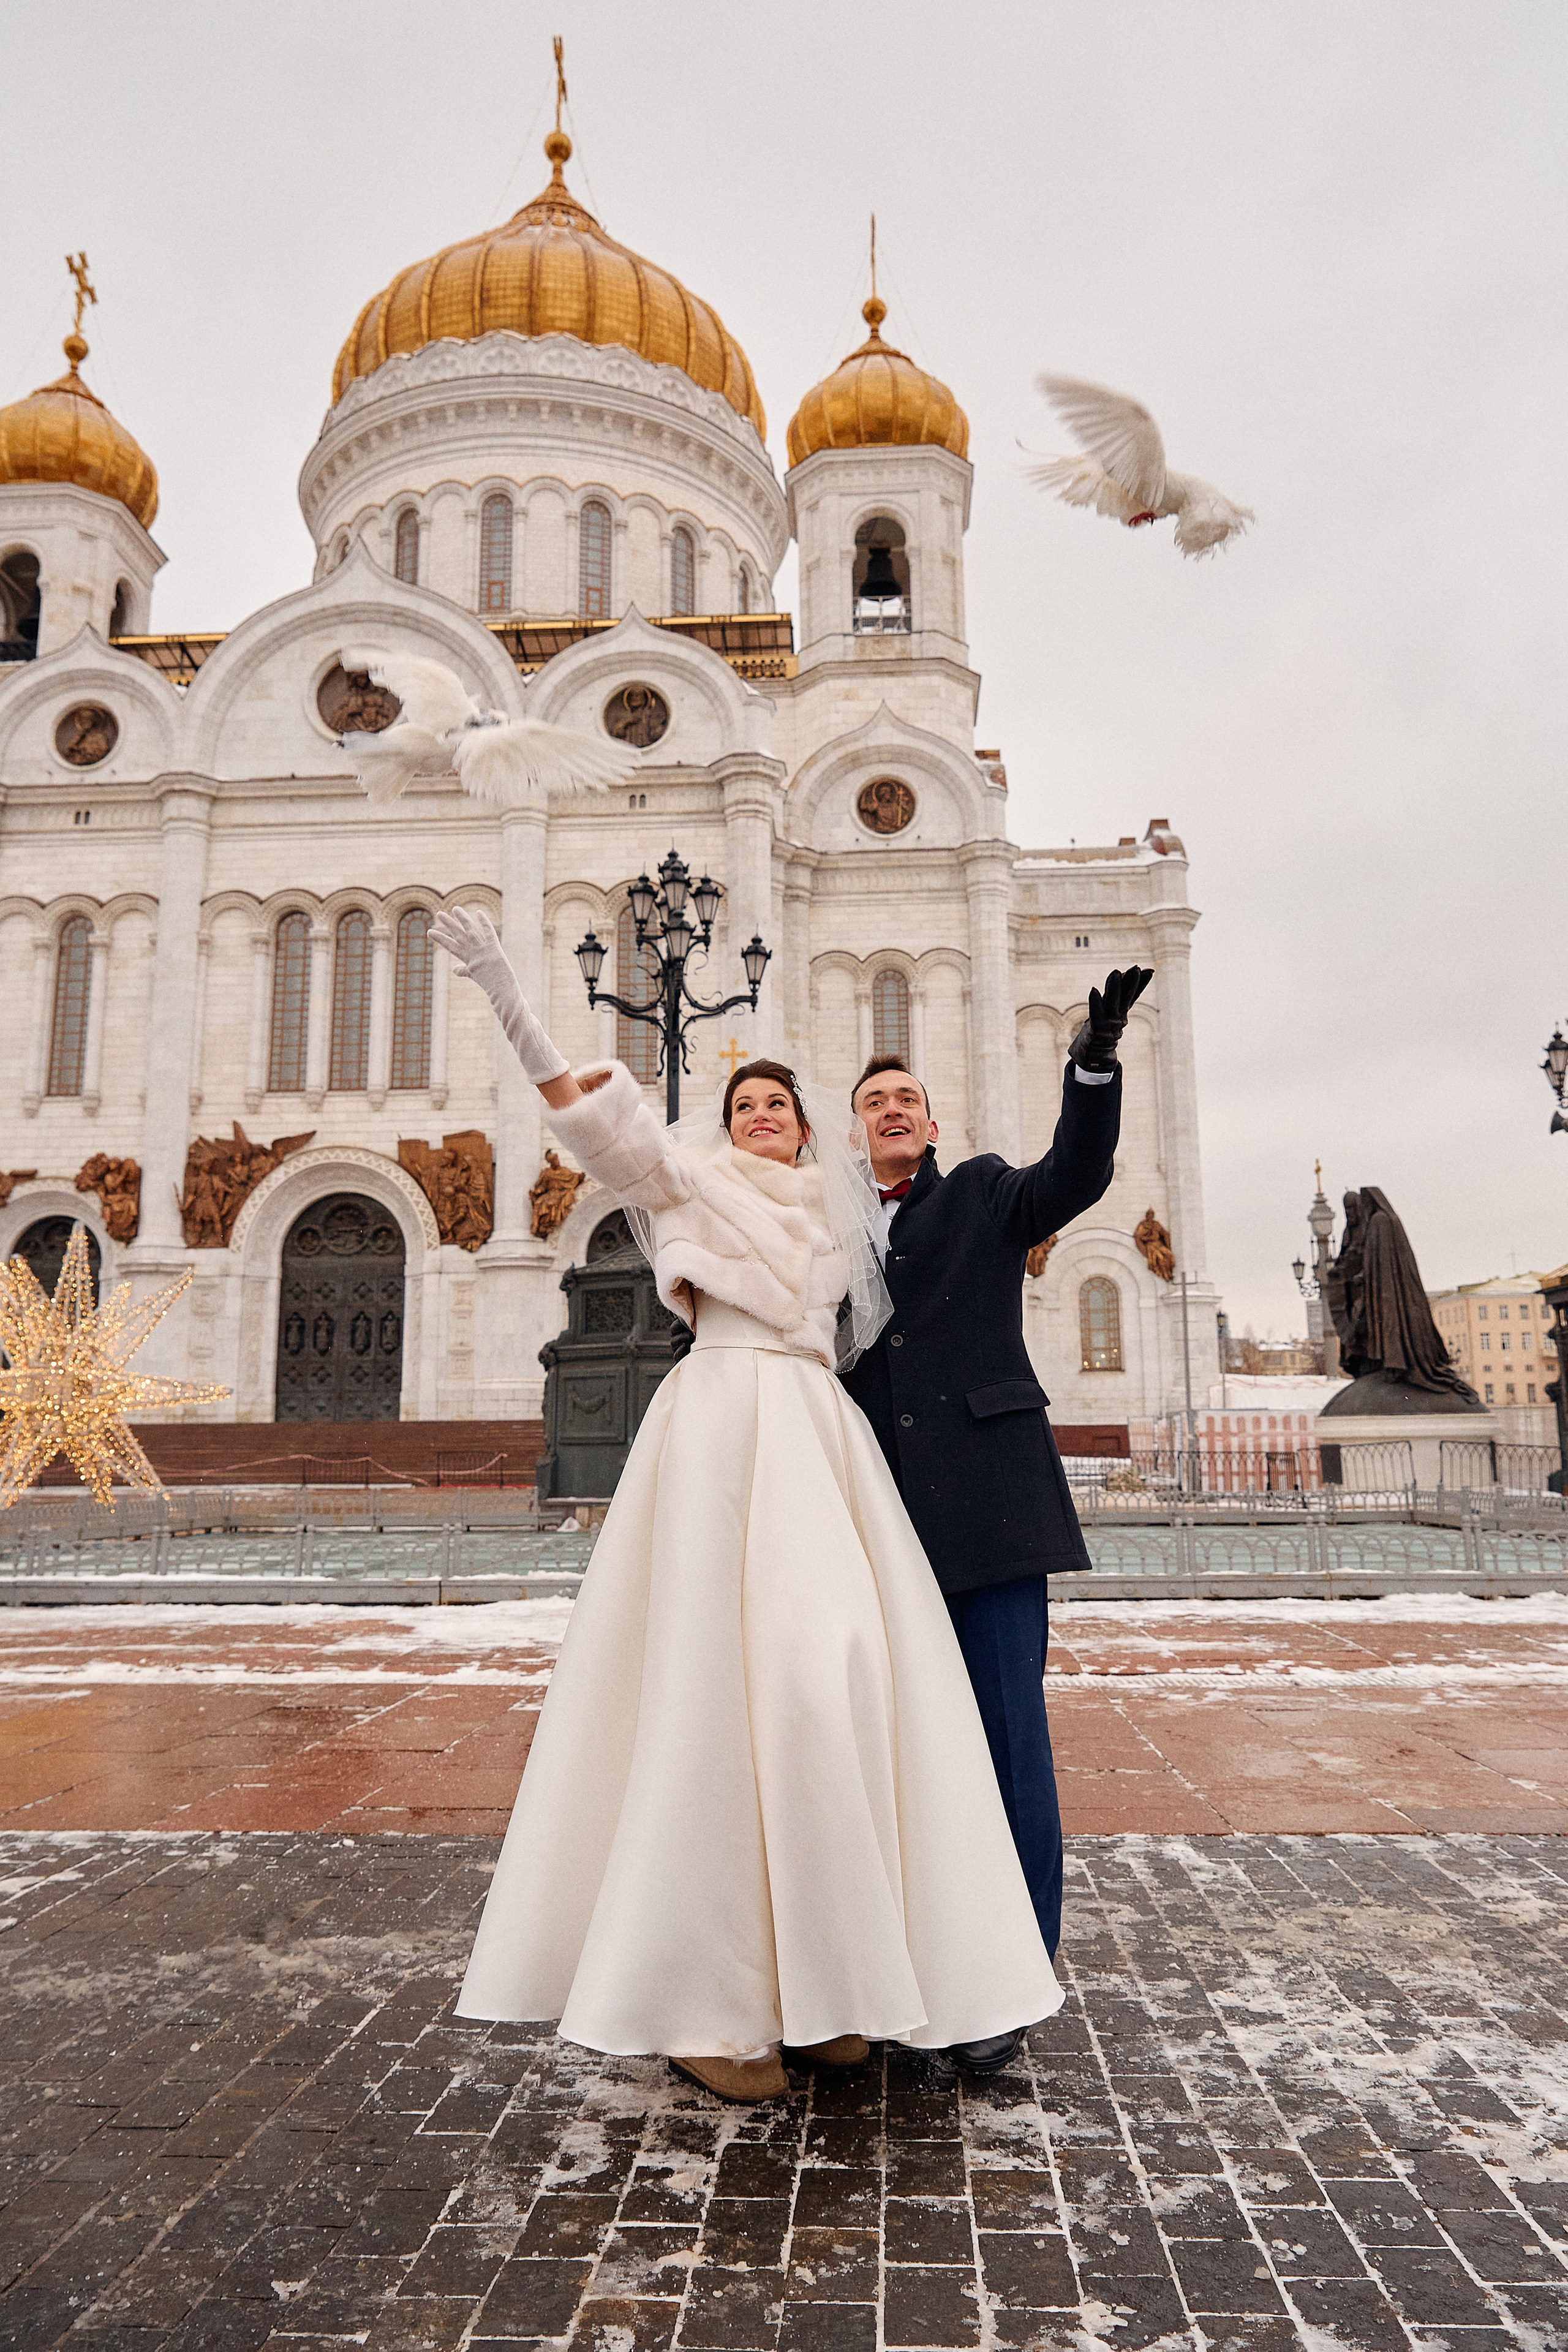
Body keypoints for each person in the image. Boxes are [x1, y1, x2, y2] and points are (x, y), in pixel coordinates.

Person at [430, 905, 1061, 2103]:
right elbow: (589, 1112)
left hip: (819, 1443)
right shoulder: (687, 1183)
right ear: (720, 1128)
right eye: (741, 1105)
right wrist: (508, 990)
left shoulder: (841, 1224)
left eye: (776, 1104)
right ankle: (705, 2005)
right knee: (715, 1702)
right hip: (722, 1431)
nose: (759, 1117)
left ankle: (823, 1985)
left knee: (836, 1685)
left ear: (804, 1127)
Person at [842, 967, 1150, 2073]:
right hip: (874, 1526)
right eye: (872, 1099)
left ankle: (1010, 1979)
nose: (890, 1110)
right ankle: (904, 1968)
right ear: (856, 1128)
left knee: (1008, 1738)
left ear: (931, 1125)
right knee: (895, 1750)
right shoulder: (830, 1228)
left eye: (905, 1099)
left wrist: (1094, 1061)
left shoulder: (978, 1192)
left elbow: (1077, 1172)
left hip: (988, 1507)